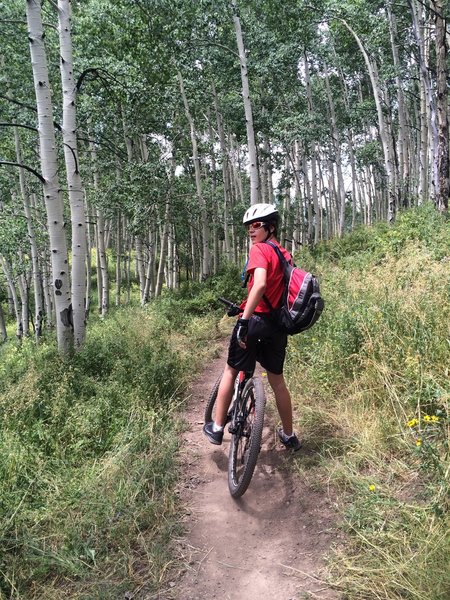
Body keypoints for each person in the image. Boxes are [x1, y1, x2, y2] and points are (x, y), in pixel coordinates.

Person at [203, 203, 301, 451]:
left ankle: (216, 428)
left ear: (271, 227)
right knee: (278, 382)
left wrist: (244, 320)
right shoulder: (284, 253)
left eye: (256, 225)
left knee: (230, 371)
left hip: (256, 322)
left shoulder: (259, 250)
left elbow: (259, 286)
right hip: (277, 327)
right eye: (248, 226)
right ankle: (289, 435)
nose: (251, 230)